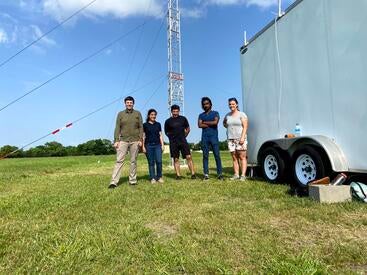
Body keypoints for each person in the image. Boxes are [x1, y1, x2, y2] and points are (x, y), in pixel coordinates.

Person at [108, 96, 143, 188]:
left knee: (133, 161)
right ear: (125, 103)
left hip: (135, 141)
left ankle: (132, 180)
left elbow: (141, 127)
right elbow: (117, 127)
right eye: (127, 102)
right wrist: (116, 140)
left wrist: (140, 140)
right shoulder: (120, 114)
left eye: (131, 102)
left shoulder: (138, 113)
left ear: (133, 103)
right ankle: (113, 182)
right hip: (123, 140)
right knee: (119, 161)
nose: (129, 104)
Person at [164, 104, 196, 180]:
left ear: (179, 111)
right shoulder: (168, 121)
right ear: (171, 112)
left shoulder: (183, 119)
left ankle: (193, 174)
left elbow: (188, 129)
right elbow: (166, 132)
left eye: (177, 111)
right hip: (173, 143)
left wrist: (184, 136)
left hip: (183, 141)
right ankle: (178, 175)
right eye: (174, 111)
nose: (175, 113)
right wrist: (171, 138)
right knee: (176, 159)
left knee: (188, 157)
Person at [198, 97, 223, 180]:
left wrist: (204, 122)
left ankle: (219, 174)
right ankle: (206, 174)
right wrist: (210, 123)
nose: (205, 105)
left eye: (207, 103)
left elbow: (215, 122)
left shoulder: (216, 113)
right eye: (204, 104)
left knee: (217, 155)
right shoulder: (201, 115)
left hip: (214, 137)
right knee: (205, 156)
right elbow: (199, 125)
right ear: (202, 105)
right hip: (205, 138)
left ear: (210, 104)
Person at [223, 97, 248, 181]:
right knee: (234, 157)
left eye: (233, 104)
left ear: (236, 104)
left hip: (240, 138)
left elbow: (245, 127)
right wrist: (226, 125)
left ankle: (243, 175)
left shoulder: (242, 114)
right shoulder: (227, 115)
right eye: (230, 104)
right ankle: (236, 174)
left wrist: (242, 138)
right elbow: (224, 123)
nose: (231, 105)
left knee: (242, 157)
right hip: (230, 139)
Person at [142, 109, 164, 184]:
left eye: (154, 115)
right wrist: (143, 147)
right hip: (148, 145)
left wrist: (162, 145)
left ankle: (159, 177)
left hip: (158, 145)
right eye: (152, 114)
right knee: (151, 162)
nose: (153, 116)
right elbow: (143, 136)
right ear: (149, 115)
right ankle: (152, 178)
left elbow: (160, 135)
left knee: (159, 161)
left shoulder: (158, 124)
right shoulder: (145, 125)